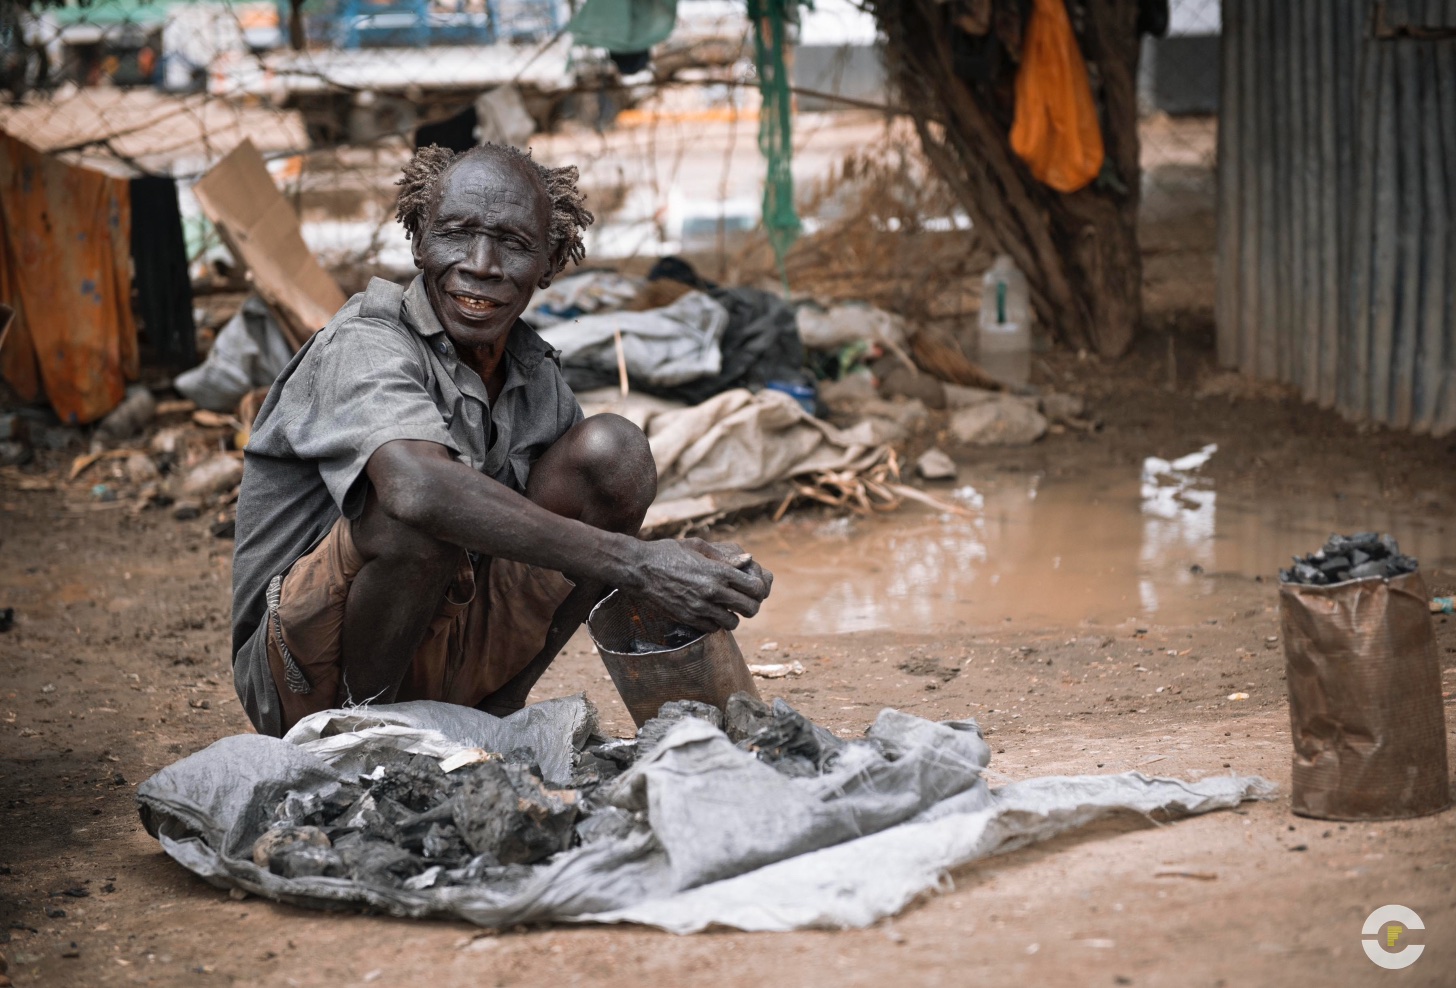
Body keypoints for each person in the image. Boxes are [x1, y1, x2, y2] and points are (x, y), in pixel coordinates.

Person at [229, 143, 772, 737]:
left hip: (451, 644)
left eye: (513, 243)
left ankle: (494, 712)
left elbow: (578, 531)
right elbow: (416, 492)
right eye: (456, 234)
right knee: (420, 508)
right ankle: (363, 739)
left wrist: (684, 559)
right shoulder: (365, 344)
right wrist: (641, 563)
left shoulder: (535, 376)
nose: (481, 263)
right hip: (304, 675)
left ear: (552, 260)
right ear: (417, 242)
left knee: (613, 455)